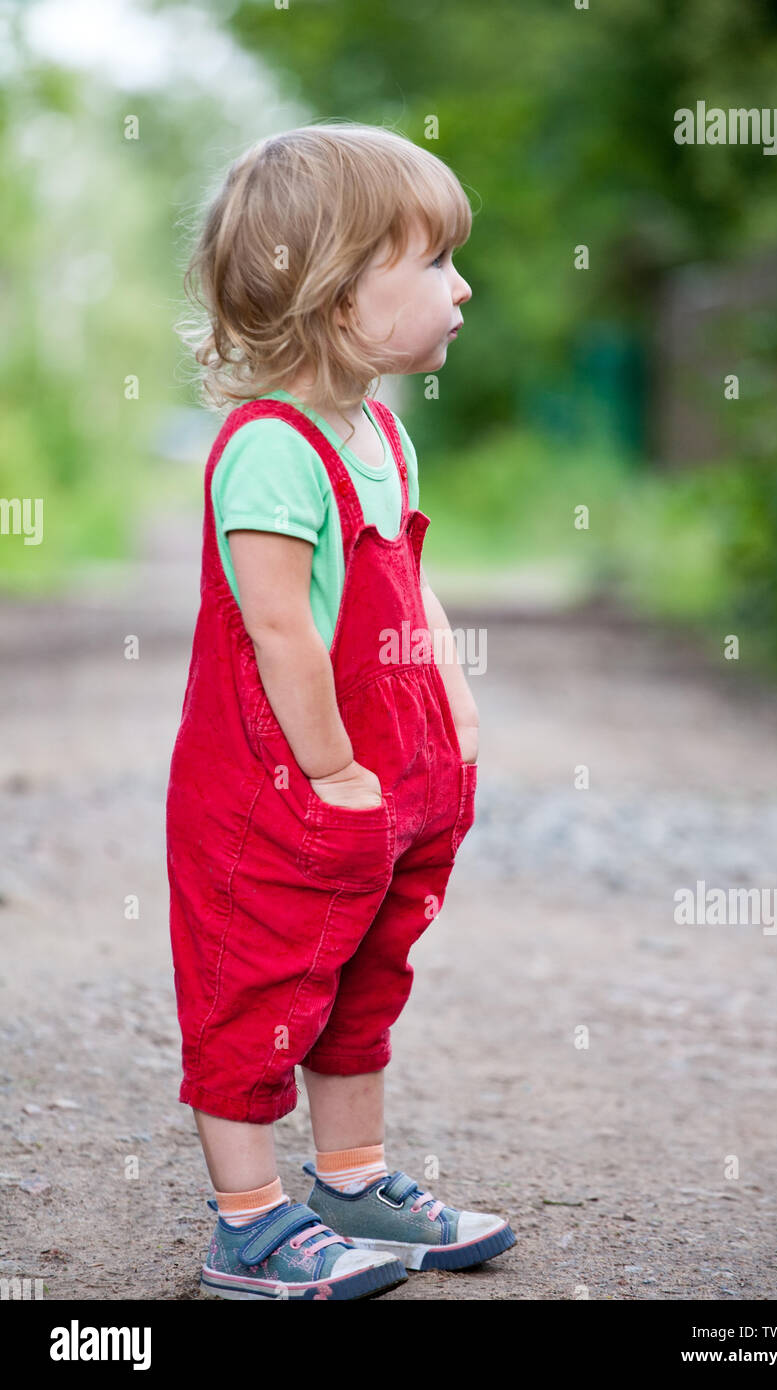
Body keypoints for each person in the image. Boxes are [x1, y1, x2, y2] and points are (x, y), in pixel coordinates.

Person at [166, 122, 516, 1301]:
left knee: (362, 981)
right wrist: (326, 769)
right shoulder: (270, 451)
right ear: (329, 292)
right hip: (282, 793)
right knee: (259, 987)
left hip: (386, 781)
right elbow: (279, 629)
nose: (460, 285)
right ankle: (249, 1222)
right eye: (429, 262)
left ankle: (352, 1178)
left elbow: (407, 585)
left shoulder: (382, 434)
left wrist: (449, 708)